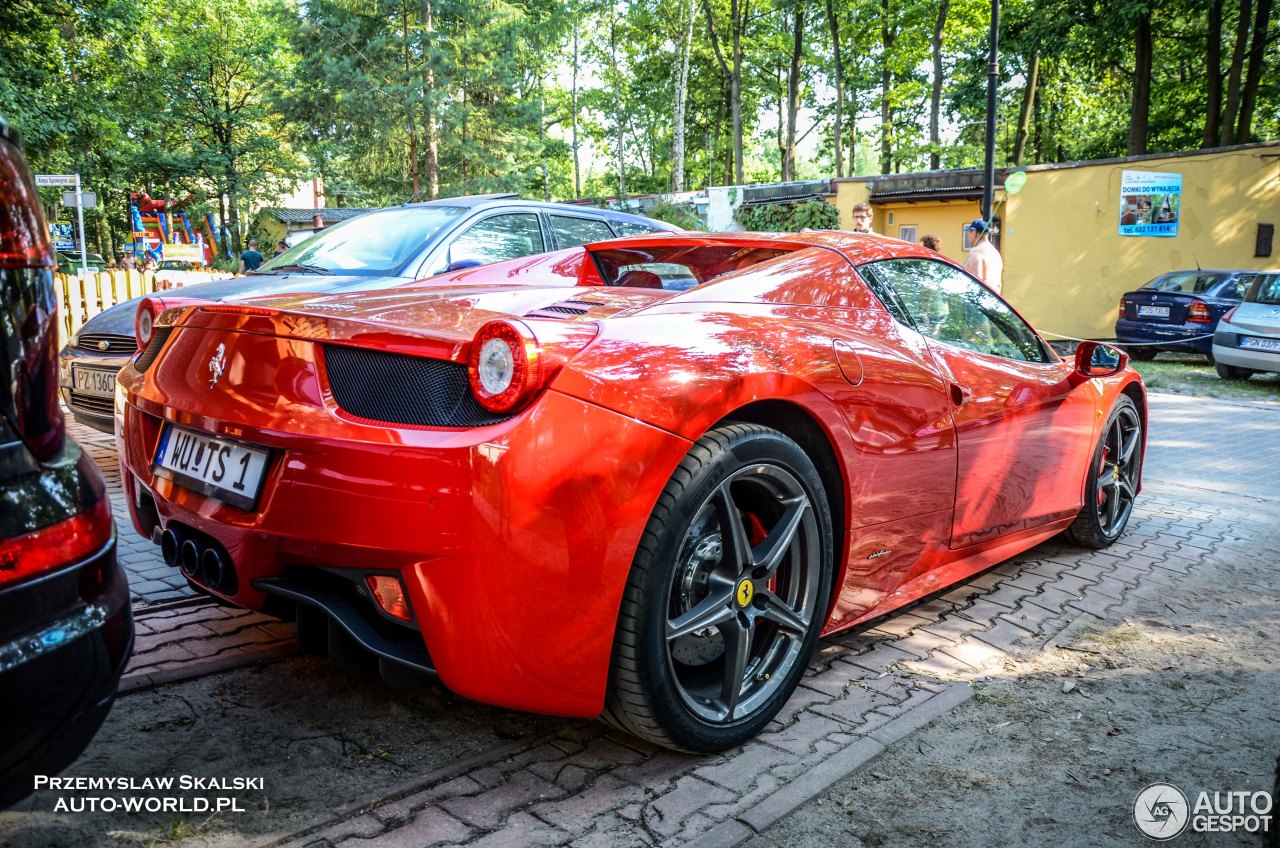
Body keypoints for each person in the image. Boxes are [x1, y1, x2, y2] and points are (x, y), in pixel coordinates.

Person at [963, 218, 1003, 295]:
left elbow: (975, 282)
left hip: (979, 300)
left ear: (975, 233)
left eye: (970, 232)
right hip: (994, 300)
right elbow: (999, 284)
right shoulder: (996, 253)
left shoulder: (976, 251)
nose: (968, 235)